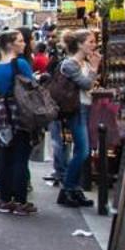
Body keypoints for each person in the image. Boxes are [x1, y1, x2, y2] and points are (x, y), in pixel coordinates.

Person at [0, 30, 37, 215]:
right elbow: (32, 87)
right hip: (20, 113)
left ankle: (5, 199)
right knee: (20, 158)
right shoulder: (20, 63)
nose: (24, 44)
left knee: (6, 158)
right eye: (21, 41)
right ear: (11, 44)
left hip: (2, 114)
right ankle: (21, 201)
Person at [52, 29, 98, 208]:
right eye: (91, 42)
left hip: (84, 107)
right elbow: (86, 84)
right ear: (79, 44)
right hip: (75, 109)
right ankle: (68, 189)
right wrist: (94, 69)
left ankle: (74, 189)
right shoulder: (70, 64)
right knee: (83, 150)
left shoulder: (83, 63)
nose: (94, 45)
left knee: (82, 150)